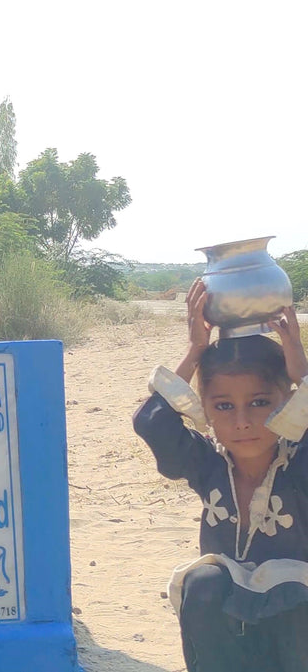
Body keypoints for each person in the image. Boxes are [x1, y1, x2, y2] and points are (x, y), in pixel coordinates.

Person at [133, 279, 308, 671]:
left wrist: (302, 373)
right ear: (206, 412)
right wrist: (196, 350)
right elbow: (152, 422)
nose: (242, 422)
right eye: (224, 406)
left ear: (288, 402)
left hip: (296, 641)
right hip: (231, 644)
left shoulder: (298, 468)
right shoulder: (209, 466)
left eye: (260, 402)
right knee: (203, 583)